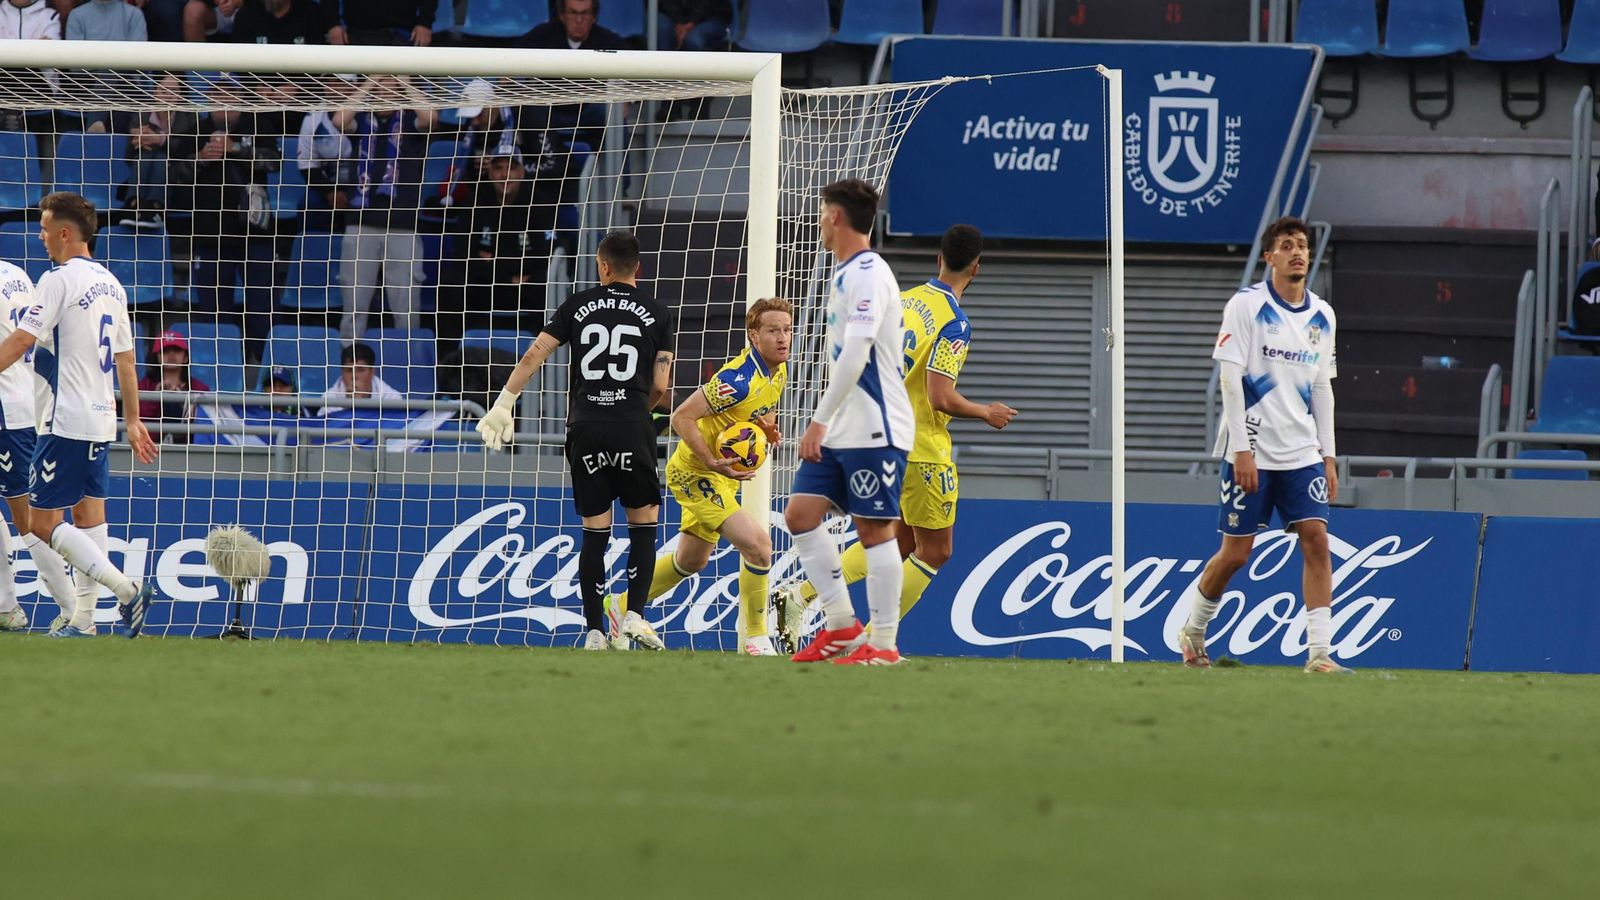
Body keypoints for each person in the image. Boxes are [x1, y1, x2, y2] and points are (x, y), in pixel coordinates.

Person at [775, 224, 1017, 649]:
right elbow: (940, 397)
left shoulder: (902, 301)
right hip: (923, 448)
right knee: (936, 551)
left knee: (899, 539)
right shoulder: (955, 324)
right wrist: (985, 411)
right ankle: (872, 640)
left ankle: (799, 595)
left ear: (938, 259)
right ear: (976, 269)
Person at [476, 231, 675, 651]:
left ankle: (594, 632)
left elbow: (534, 354)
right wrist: (641, 413)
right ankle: (634, 616)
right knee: (643, 523)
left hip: (585, 427)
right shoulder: (658, 312)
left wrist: (504, 402)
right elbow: (660, 384)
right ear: (637, 267)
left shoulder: (577, 306)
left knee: (594, 531)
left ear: (602, 266)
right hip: (631, 424)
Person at [1179, 215, 1346, 674]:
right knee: (1236, 554)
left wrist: (1328, 454)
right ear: (1270, 257)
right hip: (1252, 450)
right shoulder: (1246, 306)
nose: (1297, 252)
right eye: (1287, 245)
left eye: (1303, 246)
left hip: (1302, 452)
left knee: (1316, 540)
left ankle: (1319, 654)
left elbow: (1322, 389)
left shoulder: (1322, 315)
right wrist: (1241, 451)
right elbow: (1230, 380)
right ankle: (1193, 632)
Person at [0, 192, 160, 638]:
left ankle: (127, 591)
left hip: (64, 416)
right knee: (91, 518)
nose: (41, 236)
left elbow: (21, 341)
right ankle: (84, 621)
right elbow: (127, 360)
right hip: (102, 416)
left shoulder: (58, 279)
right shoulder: (112, 283)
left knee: (41, 523)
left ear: (66, 233)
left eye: (46, 229)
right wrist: (132, 419)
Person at [784, 179, 914, 666]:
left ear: (836, 216)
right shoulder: (845, 272)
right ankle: (842, 626)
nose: (818, 221)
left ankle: (883, 643)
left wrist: (817, 420)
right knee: (800, 514)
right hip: (844, 427)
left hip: (876, 427)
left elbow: (858, 352)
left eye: (821, 212)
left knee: (875, 528)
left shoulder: (869, 273)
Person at [615, 297, 789, 655]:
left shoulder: (779, 371)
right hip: (696, 471)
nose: (783, 337)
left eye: (787, 330)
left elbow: (760, 412)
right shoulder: (736, 380)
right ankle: (755, 636)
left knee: (692, 560)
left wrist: (766, 430)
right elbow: (680, 417)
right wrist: (710, 460)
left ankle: (621, 606)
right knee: (758, 546)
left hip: (721, 473)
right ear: (754, 336)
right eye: (773, 330)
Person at [0, 257, 93, 632]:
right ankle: (6, 606)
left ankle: (71, 609)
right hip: (24, 399)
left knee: (27, 517)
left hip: (6, 408)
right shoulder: (17, 274)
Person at [331, 75, 436, 341]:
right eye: (379, 88)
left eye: (391, 88)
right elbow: (339, 120)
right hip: (360, 225)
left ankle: (409, 368)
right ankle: (351, 369)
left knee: (405, 308)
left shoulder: (411, 123)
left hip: (402, 227)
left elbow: (431, 118)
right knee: (354, 306)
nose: (383, 92)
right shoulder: (363, 123)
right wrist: (369, 83)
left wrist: (404, 81)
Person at [137, 330, 213, 445]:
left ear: (185, 357)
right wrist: (156, 397)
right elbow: (140, 420)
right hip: (151, 448)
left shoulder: (200, 388)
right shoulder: (143, 386)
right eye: (165, 351)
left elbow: (206, 423)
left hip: (190, 451)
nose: (171, 354)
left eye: (177, 350)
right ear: (156, 358)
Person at [319, 341, 400, 413]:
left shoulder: (390, 397)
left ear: (372, 372)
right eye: (349, 370)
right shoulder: (329, 399)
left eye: (360, 370)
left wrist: (361, 406)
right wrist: (350, 406)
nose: (354, 376)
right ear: (342, 372)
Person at [521, 0, 624, 50]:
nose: (579, 20)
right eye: (572, 12)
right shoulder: (540, 37)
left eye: (585, 13)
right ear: (562, 15)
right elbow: (511, 58)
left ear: (594, 17)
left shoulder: (611, 43)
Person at [323, 0, 434, 46]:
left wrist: (425, 22)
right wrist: (333, 24)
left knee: (402, 89)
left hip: (402, 33)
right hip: (356, 32)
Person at [228, 0, 325, 44]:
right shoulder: (246, 14)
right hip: (257, 83)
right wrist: (258, 85)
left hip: (302, 84)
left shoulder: (311, 12)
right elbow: (240, 60)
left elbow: (319, 57)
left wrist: (297, 84)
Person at [657, 0, 731, 51]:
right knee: (660, 26)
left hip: (711, 17)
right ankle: (665, 70)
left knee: (693, 40)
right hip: (673, 17)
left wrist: (688, 26)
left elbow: (706, 4)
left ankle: (695, 72)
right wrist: (679, 24)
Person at [65, 0, 148, 41]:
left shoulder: (134, 14)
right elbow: (74, 64)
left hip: (124, 74)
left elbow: (138, 59)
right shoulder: (76, 15)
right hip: (86, 74)